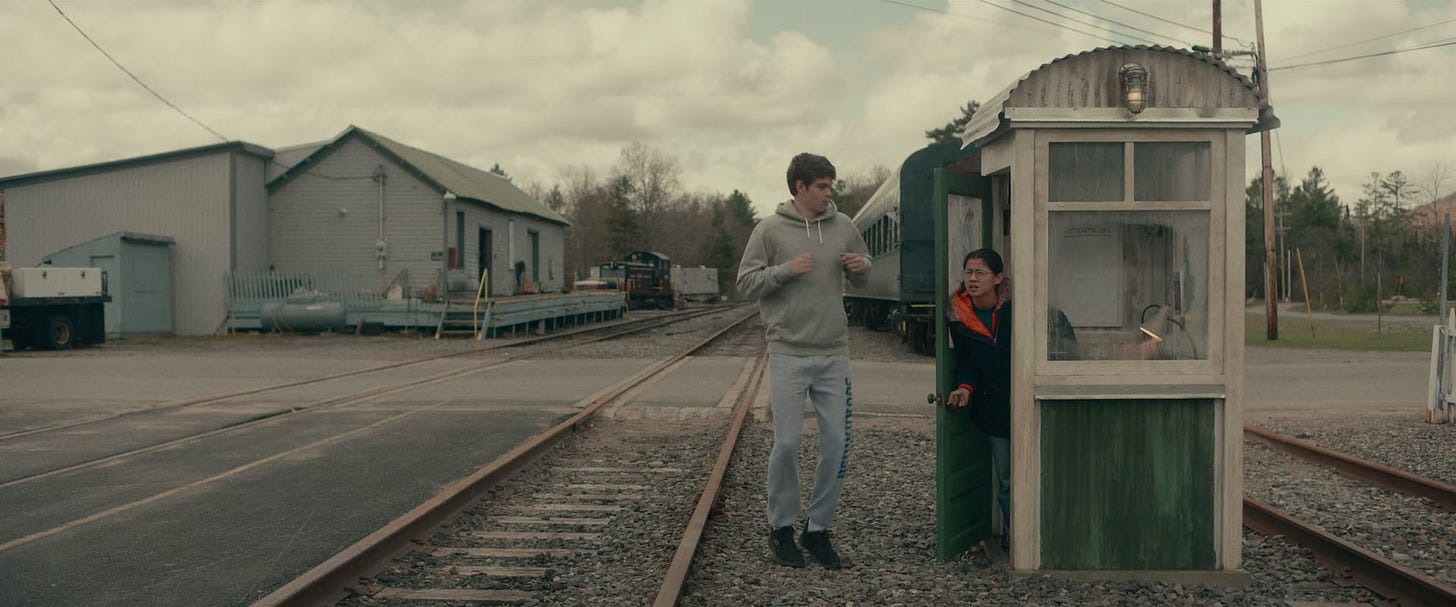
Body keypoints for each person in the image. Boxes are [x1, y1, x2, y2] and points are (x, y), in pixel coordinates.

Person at [736, 152, 870, 570]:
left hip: (833, 352)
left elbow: (867, 271)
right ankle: (780, 529)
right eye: (822, 187)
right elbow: (745, 283)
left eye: (831, 186)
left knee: (835, 444)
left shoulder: (843, 225)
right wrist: (785, 270)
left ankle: (818, 531)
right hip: (789, 352)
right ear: (800, 188)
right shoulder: (769, 229)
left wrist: (860, 265)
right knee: (788, 444)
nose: (829, 194)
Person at [943, 249, 1075, 551]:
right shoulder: (959, 316)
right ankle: (1016, 538)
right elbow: (968, 359)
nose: (972, 279)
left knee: (1042, 468)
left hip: (1033, 399)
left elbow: (1060, 334)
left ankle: (1050, 533)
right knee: (1006, 478)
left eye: (980, 273)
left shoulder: (1021, 306)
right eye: (968, 273)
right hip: (995, 406)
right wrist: (965, 387)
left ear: (998, 278)